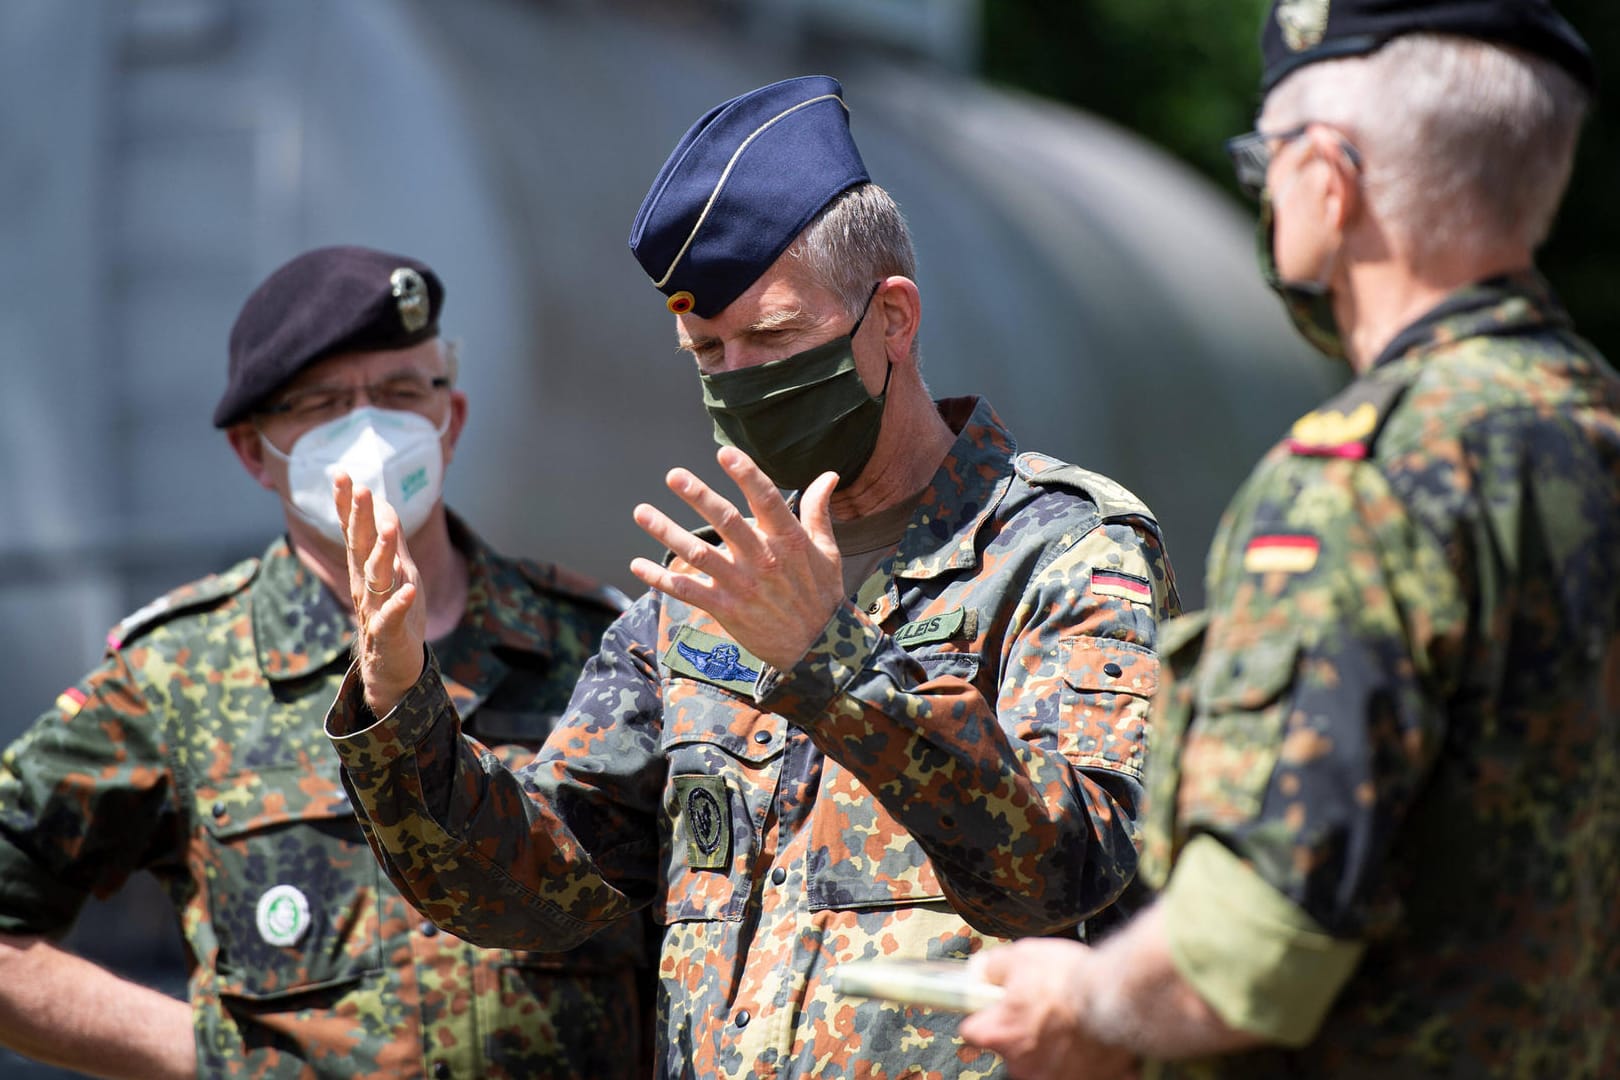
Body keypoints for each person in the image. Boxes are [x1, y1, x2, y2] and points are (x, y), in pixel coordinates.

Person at [325, 75, 1179, 1078]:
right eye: (708, 352)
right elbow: (532, 893)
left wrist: (833, 664)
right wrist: (400, 714)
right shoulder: (699, 601)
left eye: (773, 338)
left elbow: (1073, 870)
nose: (741, 381)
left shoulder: (1063, 552)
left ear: (891, 317)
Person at [959, 2, 1620, 1077]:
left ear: (1330, 177)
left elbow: (1249, 948)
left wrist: (1084, 1000)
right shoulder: (1589, 425)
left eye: (1262, 162)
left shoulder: (1362, 481)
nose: (1263, 195)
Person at [0, 246, 654, 1079]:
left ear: (449, 420)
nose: (370, 430)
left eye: (400, 393)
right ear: (254, 451)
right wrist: (211, 1057)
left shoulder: (597, 646)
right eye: (323, 404)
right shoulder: (180, 673)